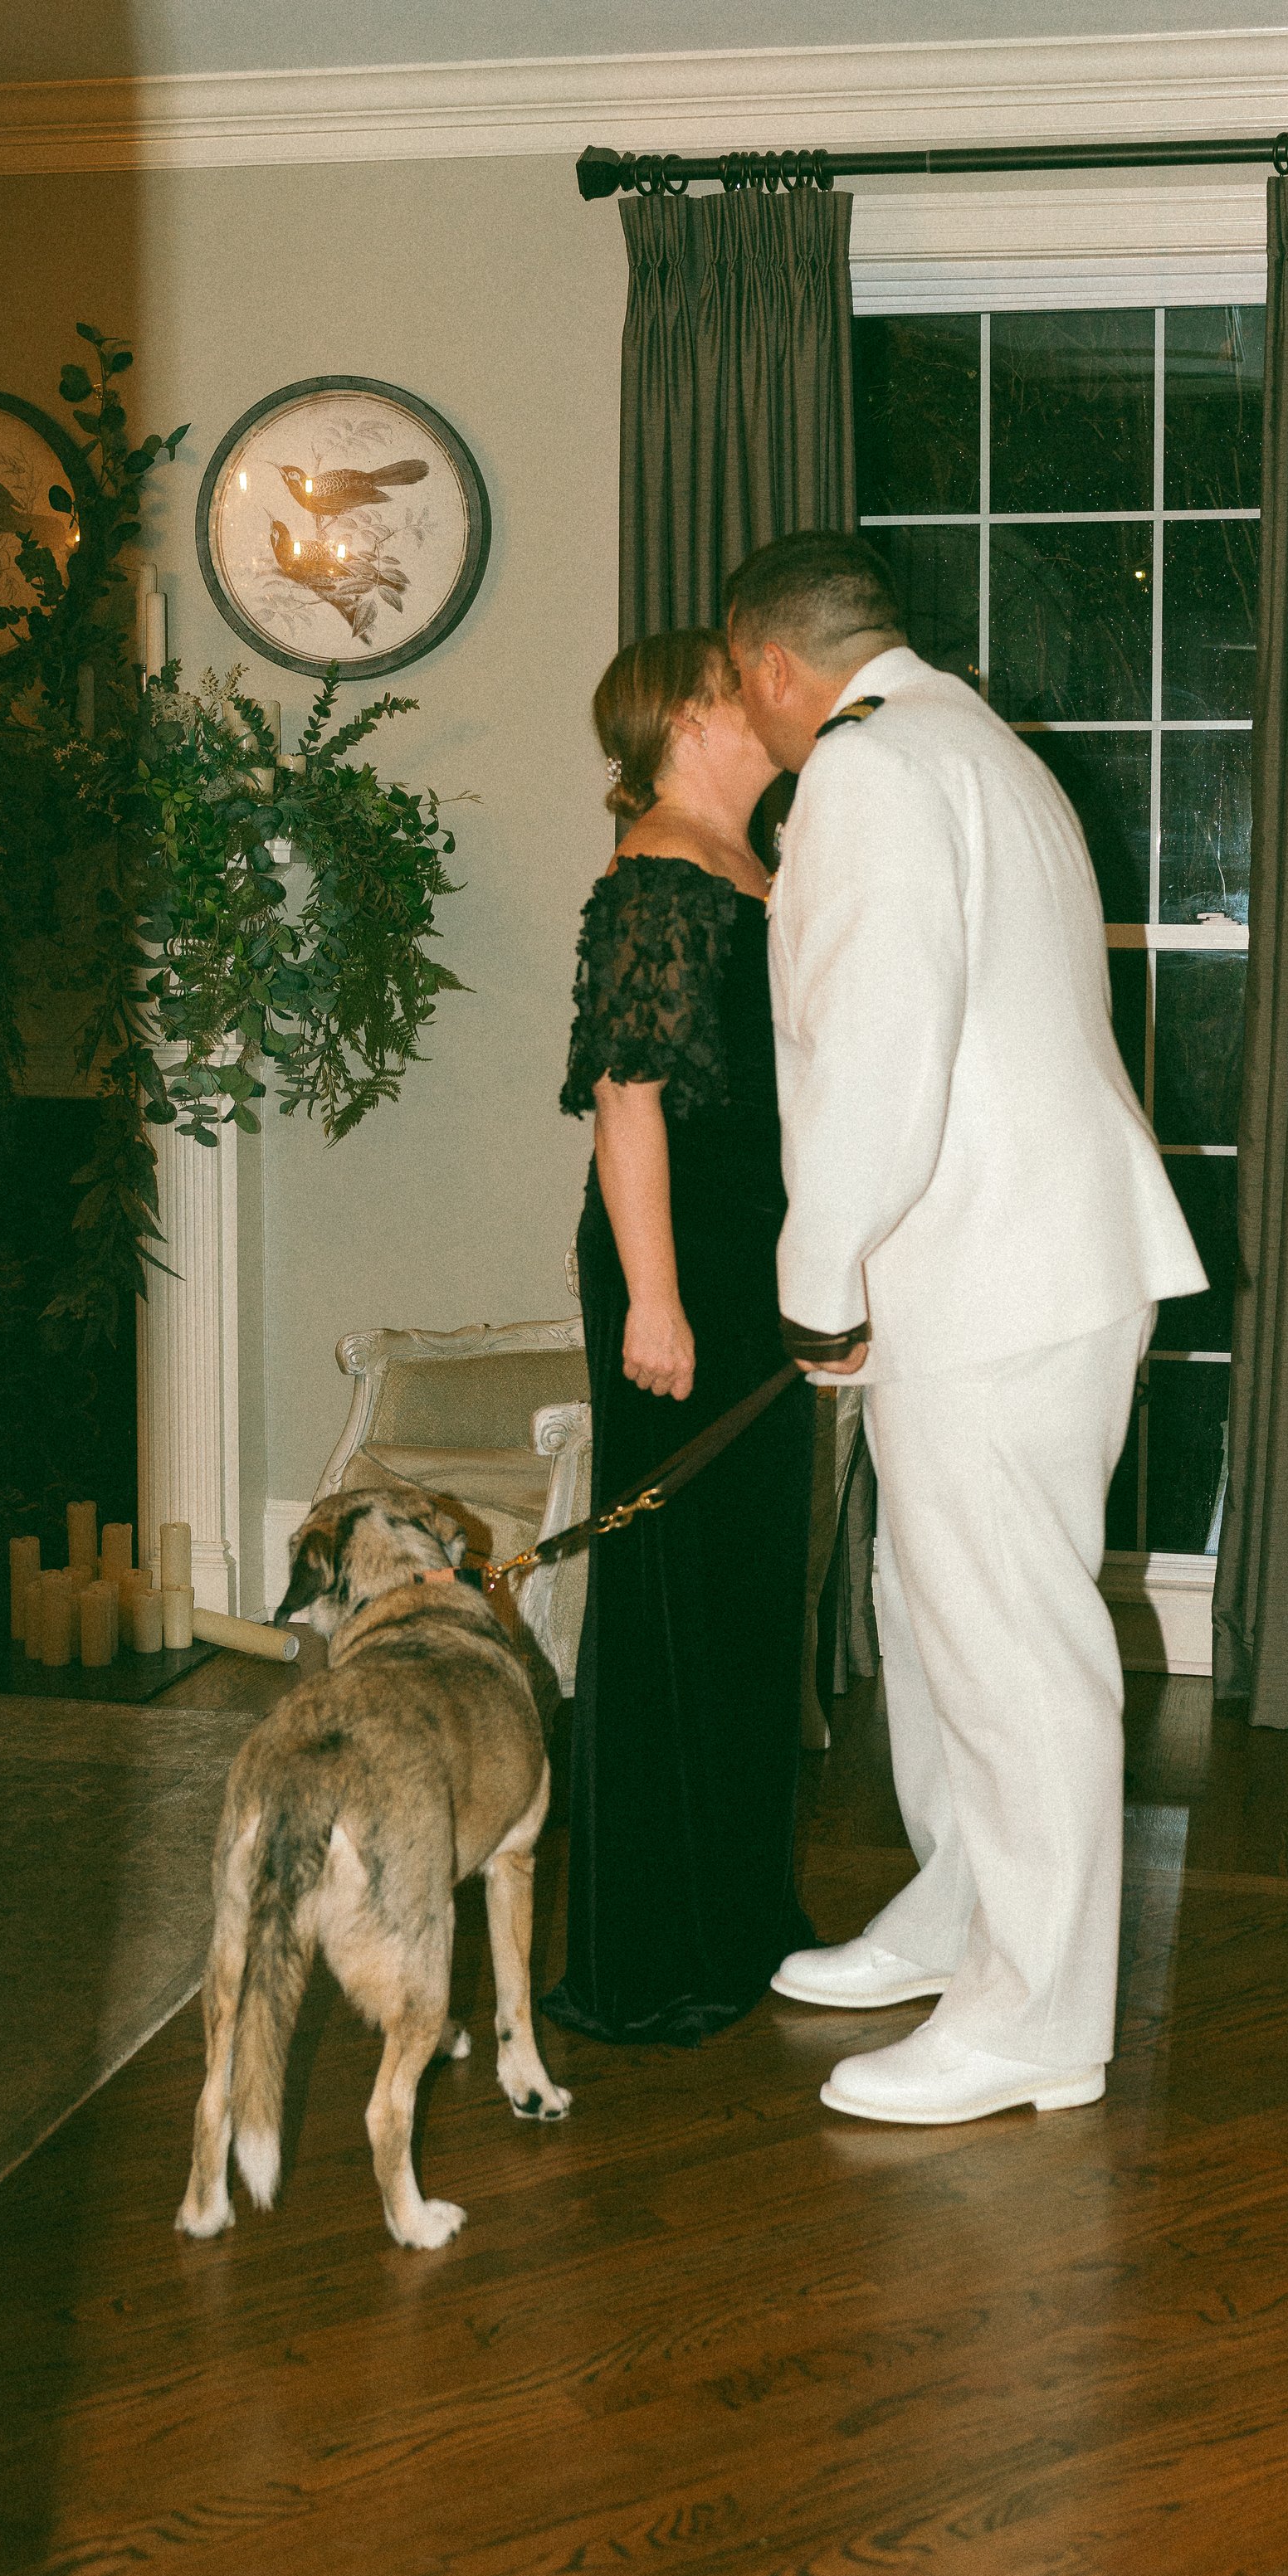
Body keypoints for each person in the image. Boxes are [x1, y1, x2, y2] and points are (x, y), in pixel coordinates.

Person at [724, 531, 1206, 2127]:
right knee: (933, 1623)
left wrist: (817, 1284)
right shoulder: (976, 743)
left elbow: (876, 1050)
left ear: (775, 667)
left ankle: (1037, 2019)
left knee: (1009, 1648)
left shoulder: (867, 774)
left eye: (746, 690)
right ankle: (959, 1916)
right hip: (1020, 1262)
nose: (755, 718)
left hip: (986, 1270)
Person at [543, 628, 816, 2045]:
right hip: (687, 1270)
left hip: (750, 1264)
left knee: (745, 1596)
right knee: (672, 1597)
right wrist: (654, 1297)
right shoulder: (659, 867)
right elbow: (628, 1097)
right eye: (748, 688)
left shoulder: (746, 860)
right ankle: (657, 1956)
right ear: (700, 714)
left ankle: (739, 1917)